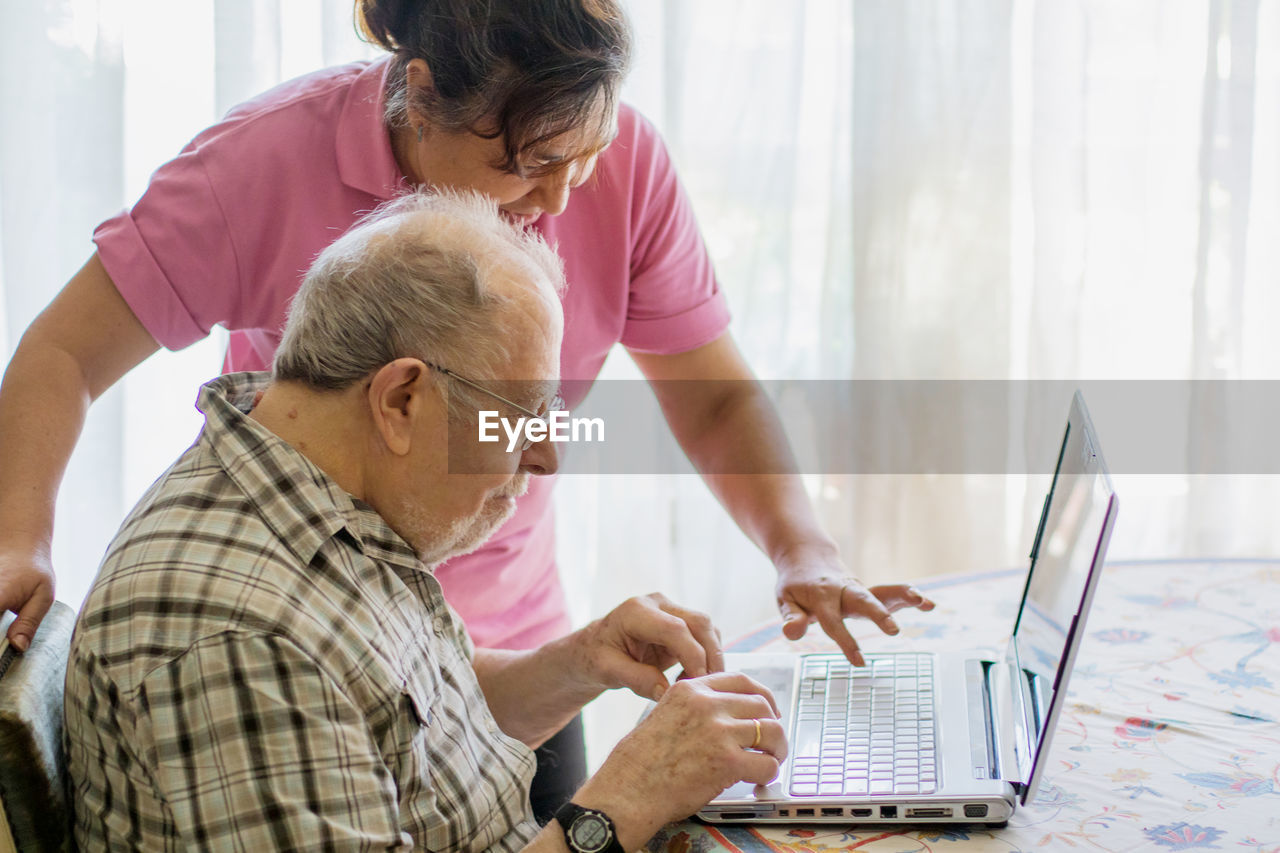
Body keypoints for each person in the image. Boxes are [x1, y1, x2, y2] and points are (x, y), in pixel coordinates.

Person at [0, 0, 933, 817]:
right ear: (419, 92)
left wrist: (799, 543)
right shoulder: (259, 165)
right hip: (320, 642)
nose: (562, 197)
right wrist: (21, 537)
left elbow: (716, 394)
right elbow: (64, 349)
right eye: (528, 164)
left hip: (500, 655)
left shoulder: (618, 170)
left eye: (586, 152)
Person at [64, 190, 789, 851]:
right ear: (402, 400)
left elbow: (404, 727)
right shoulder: (239, 637)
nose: (544, 459)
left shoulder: (318, 484)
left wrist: (582, 661)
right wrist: (628, 794)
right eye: (522, 417)